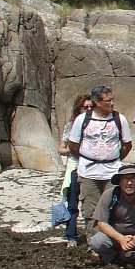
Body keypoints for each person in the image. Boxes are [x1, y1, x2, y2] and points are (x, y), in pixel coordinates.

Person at [68, 85, 132, 236]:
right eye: (108, 100)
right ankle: (94, 241)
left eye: (113, 100)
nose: (112, 103)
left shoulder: (119, 119)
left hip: (112, 172)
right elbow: (73, 144)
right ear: (97, 102)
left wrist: (113, 158)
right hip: (88, 172)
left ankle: (114, 240)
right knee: (91, 210)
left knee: (115, 207)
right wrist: (87, 158)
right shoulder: (82, 119)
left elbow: (127, 144)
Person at [58, 94, 91, 244]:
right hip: (74, 167)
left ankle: (92, 235)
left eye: (90, 107)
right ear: (79, 108)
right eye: (85, 107)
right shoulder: (70, 126)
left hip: (90, 168)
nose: (88, 110)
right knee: (72, 203)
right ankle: (71, 235)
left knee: (91, 204)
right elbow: (61, 148)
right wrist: (72, 150)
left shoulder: (96, 125)